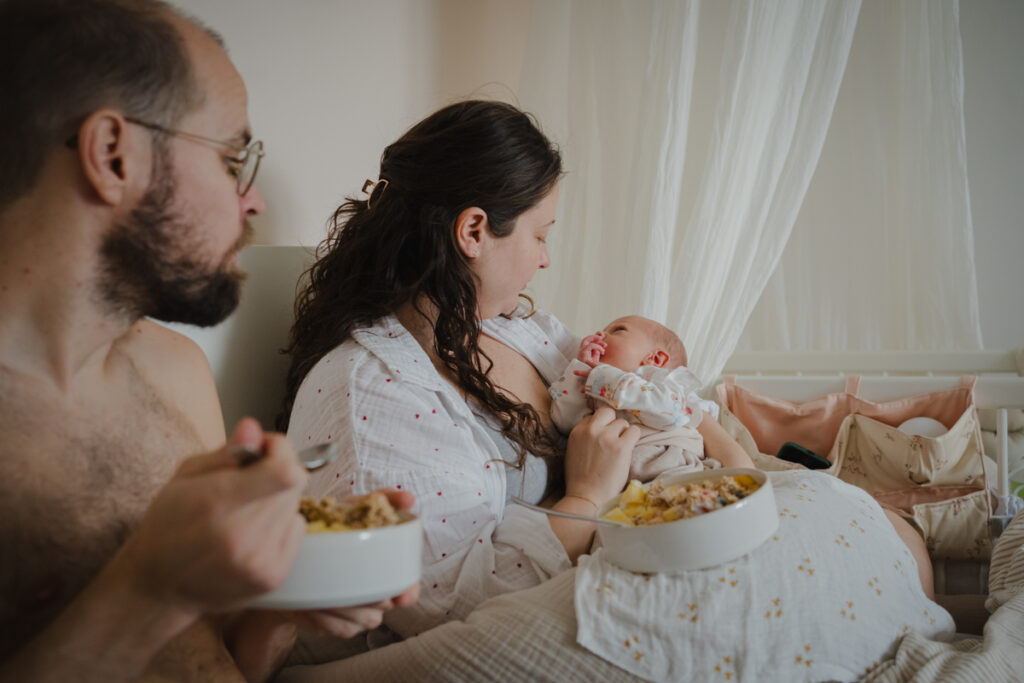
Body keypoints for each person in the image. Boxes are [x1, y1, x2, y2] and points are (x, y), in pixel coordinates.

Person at [0, 1, 415, 681]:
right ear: (112, 155)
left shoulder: (177, 371)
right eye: (231, 157)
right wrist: (149, 587)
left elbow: (214, 663)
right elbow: (156, 602)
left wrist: (285, 601)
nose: (250, 201)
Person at [279, 99, 758, 638]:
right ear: (474, 231)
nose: (545, 259)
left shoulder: (517, 328)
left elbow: (653, 391)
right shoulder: (373, 395)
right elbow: (460, 608)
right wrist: (586, 495)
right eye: (541, 235)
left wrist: (733, 457)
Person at [549, 315, 754, 482]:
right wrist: (580, 370)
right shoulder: (597, 386)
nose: (600, 334)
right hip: (616, 481)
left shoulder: (664, 384)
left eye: (618, 330)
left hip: (676, 468)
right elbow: (564, 419)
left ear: (655, 359)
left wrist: (606, 378)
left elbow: (670, 413)